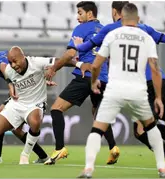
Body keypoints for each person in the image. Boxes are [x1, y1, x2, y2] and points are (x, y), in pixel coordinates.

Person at [73, 1, 165, 170]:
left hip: (142, 83)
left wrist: (78, 46)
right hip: (160, 80)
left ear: (116, 12)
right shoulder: (145, 29)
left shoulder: (110, 30)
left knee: (142, 130)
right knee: (146, 126)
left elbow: (88, 47)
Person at [44, 1, 120, 166]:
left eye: (80, 13)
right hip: (104, 78)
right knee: (98, 114)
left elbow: (70, 53)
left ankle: (59, 149)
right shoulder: (105, 30)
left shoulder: (82, 29)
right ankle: (113, 148)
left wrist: (54, 68)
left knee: (56, 109)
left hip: (86, 76)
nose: (77, 17)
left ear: (90, 14)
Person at [0, 36, 49, 164]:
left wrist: (10, 84)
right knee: (12, 126)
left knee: (2, 118)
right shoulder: (2, 53)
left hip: (22, 94)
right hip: (23, 89)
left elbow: (4, 68)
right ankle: (43, 156)